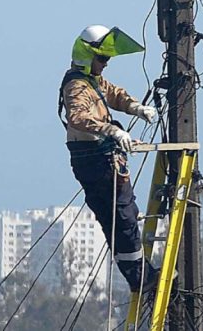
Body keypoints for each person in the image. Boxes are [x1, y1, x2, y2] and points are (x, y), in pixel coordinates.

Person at [59, 24, 160, 293]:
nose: (105, 64)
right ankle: (141, 278)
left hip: (101, 161)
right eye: (102, 58)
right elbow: (78, 117)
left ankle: (142, 274)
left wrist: (136, 108)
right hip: (97, 162)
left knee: (122, 217)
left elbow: (113, 94)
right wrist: (112, 130)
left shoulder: (92, 81)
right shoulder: (77, 85)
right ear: (87, 55)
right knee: (122, 218)